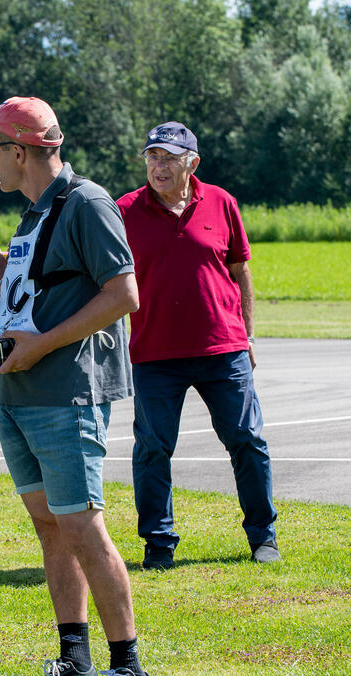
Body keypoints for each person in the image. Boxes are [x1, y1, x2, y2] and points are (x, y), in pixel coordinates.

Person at [0, 97, 155, 676]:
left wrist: (43, 345)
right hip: (19, 390)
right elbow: (2, 295)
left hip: (65, 391)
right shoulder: (32, 214)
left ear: (19, 152)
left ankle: (128, 667)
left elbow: (123, 294)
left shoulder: (86, 203)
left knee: (81, 525)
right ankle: (74, 655)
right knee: (51, 528)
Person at [116, 122, 280, 569]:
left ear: (193, 163)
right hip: (154, 353)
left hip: (222, 349)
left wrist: (247, 335)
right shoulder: (125, 209)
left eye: (169, 157)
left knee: (247, 440)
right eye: (152, 156)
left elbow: (240, 270)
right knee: (153, 449)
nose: (159, 166)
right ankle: (159, 544)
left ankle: (263, 536)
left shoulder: (222, 202)